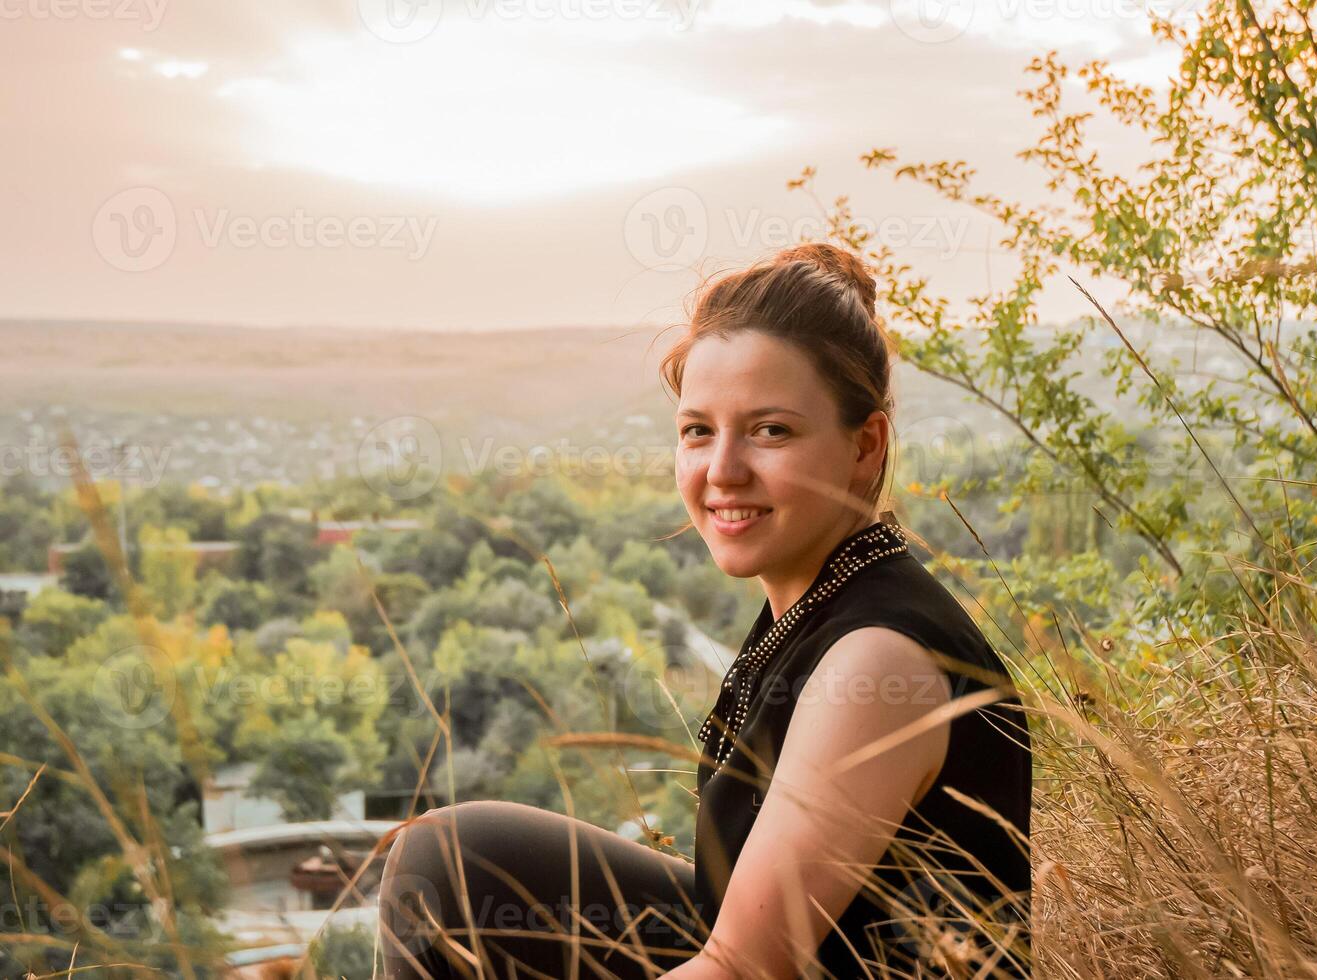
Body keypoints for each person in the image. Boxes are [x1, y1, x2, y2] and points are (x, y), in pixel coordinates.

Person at [377, 242, 1032, 979]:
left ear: (865, 445)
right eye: (698, 430)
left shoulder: (876, 662)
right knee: (457, 864)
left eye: (770, 430)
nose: (722, 471)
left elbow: (741, 970)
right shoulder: (826, 599)